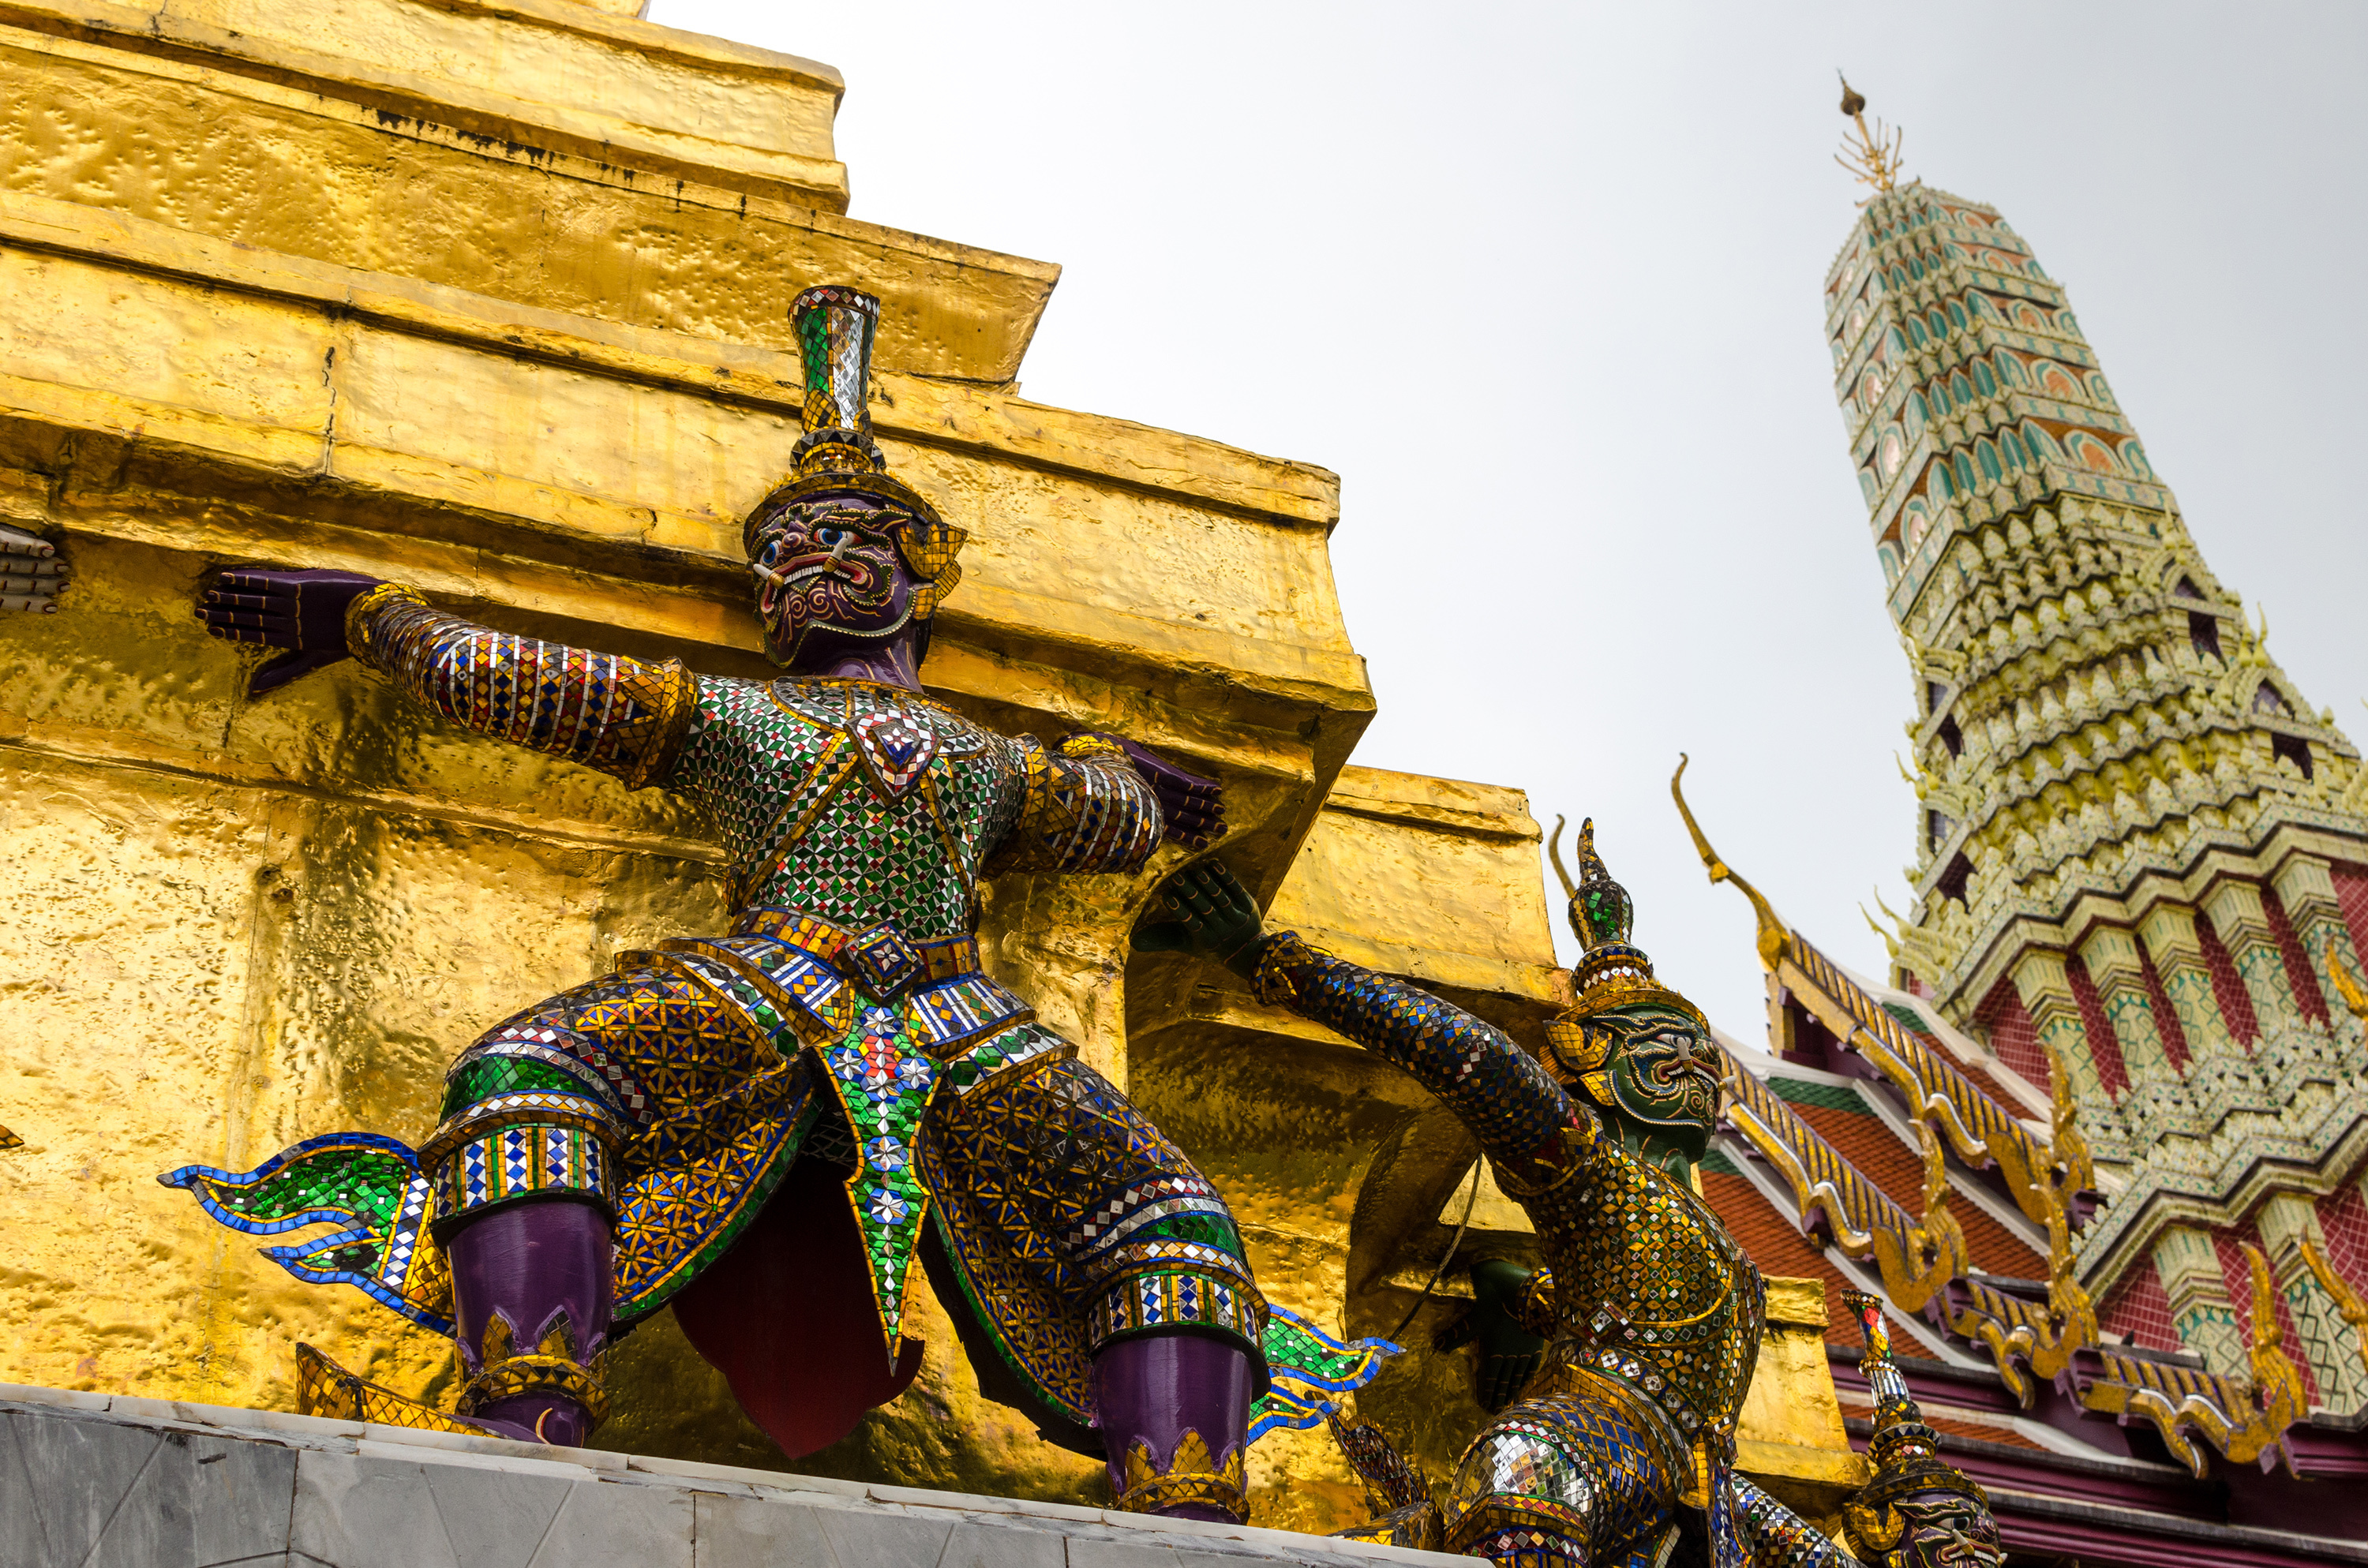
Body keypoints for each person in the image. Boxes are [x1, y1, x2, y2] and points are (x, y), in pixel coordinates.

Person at [164, 286, 1295, 1521]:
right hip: (775, 978)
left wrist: (1132, 768)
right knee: (525, 1075)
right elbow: (530, 684)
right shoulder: (735, 715)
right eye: (775, 557)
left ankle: (1189, 1517)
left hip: (961, 1012)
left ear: (921, 572)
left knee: (1175, 1215)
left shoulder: (991, 760)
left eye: (835, 546)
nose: (793, 571)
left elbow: (1111, 819)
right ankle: (522, 1419)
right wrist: (380, 622)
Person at [1133, 821, 1999, 1563]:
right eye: (1664, 1046)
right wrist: (1267, 957)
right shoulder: (1592, 1169)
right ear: (1596, 1069)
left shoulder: (1719, 1248)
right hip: (1590, 1438)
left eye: (1701, 1052)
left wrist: (1515, 1296)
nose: (1698, 1067)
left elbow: (1587, 1300)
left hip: (1699, 1470)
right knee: (1520, 1468)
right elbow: (1467, 1055)